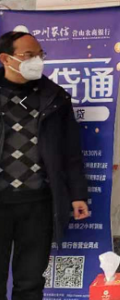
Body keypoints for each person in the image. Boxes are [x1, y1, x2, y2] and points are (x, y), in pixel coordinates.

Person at [0, 31, 90, 300]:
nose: (37, 61)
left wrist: (77, 194)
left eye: (40, 55)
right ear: (5, 59)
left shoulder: (55, 97)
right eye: (29, 55)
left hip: (38, 203)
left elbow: (70, 151)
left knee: (30, 282)